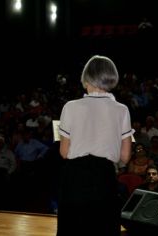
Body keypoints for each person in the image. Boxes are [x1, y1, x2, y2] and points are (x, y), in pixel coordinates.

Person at [57, 55, 134, 236]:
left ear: (87, 78)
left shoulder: (70, 107)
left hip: (75, 178)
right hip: (104, 177)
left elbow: (64, 152)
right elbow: (125, 157)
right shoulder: (122, 110)